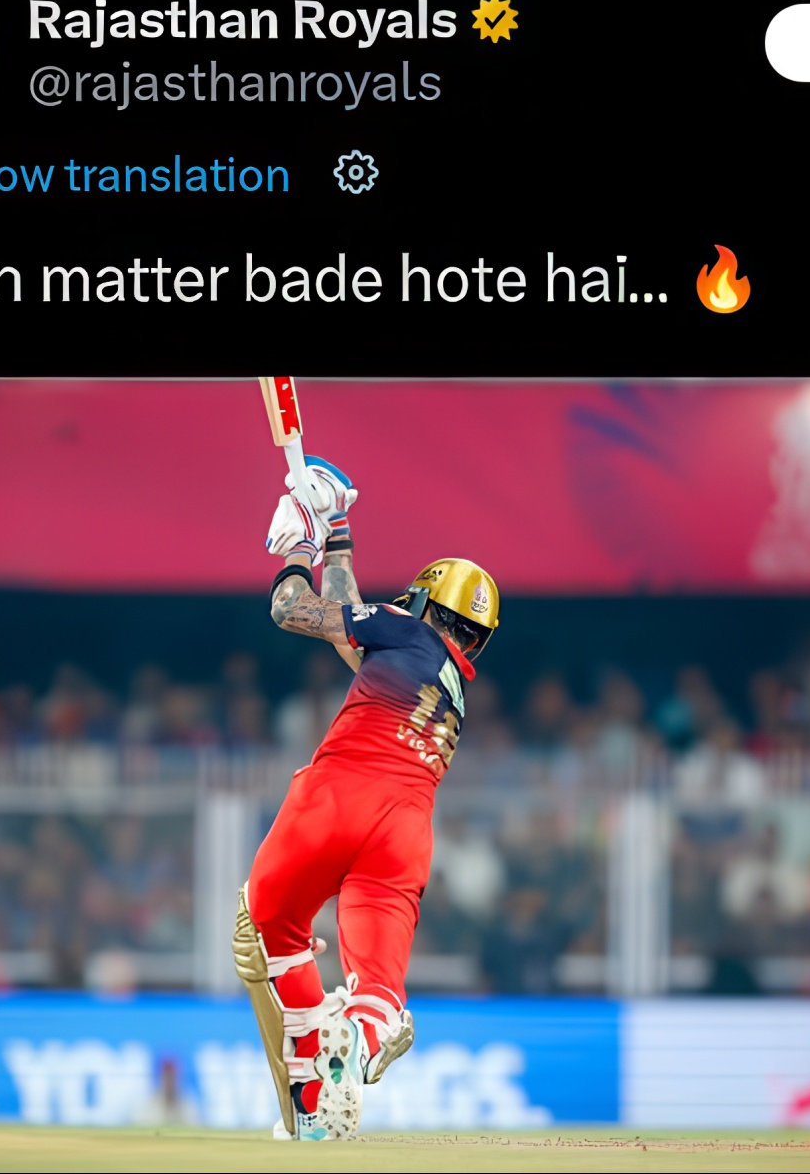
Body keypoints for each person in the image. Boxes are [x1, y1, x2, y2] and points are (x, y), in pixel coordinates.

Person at [229, 455, 500, 1142]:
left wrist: (299, 543)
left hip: (341, 793)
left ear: (424, 604)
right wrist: (339, 530)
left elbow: (294, 611)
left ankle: (309, 1087)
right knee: (377, 984)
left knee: (270, 926)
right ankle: (355, 1046)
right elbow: (349, 634)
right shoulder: (449, 684)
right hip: (406, 831)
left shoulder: (404, 631)